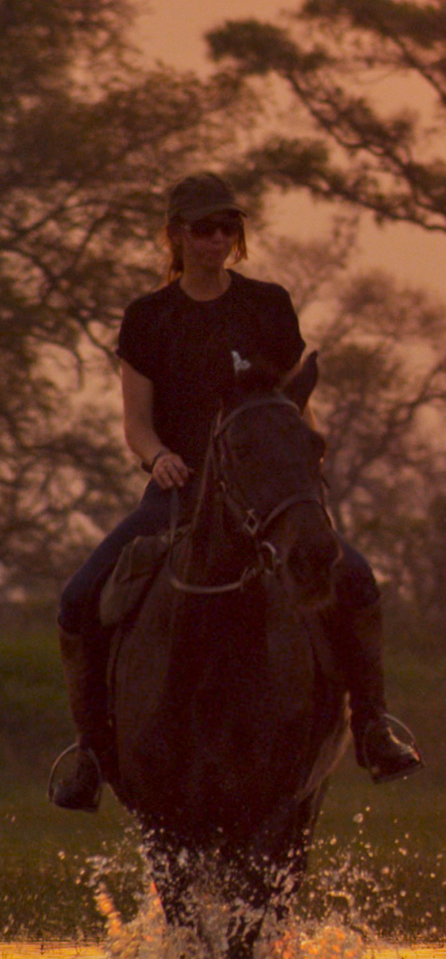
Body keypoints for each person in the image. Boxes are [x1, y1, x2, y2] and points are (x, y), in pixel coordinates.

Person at [50, 174, 423, 810]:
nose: (217, 238)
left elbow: (291, 404)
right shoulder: (148, 318)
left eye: (227, 226)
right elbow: (136, 422)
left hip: (266, 496)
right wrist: (158, 456)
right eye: (202, 228)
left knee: (355, 579)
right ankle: (90, 752)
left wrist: (306, 459)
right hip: (178, 494)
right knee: (79, 597)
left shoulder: (269, 306)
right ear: (176, 234)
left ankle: (372, 727)